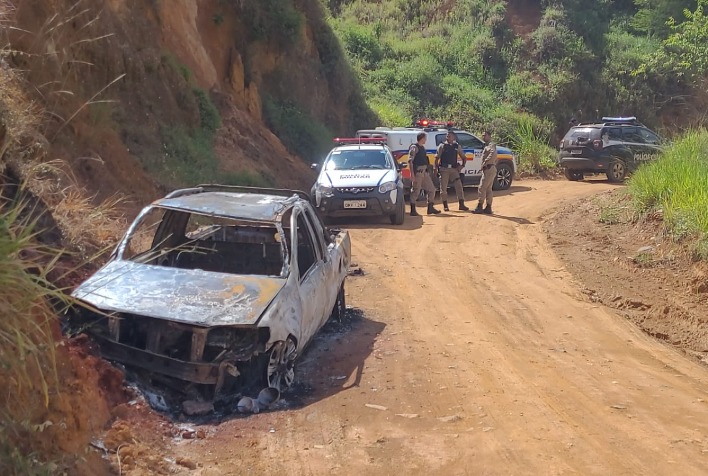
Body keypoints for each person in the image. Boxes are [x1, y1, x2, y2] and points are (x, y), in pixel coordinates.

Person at [435, 131, 469, 211]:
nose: (448, 137)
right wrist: (436, 169)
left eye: (449, 136)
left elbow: (464, 157)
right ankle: (445, 205)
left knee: (459, 186)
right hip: (444, 169)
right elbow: (437, 158)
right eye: (447, 136)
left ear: (453, 137)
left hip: (454, 169)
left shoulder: (456, 146)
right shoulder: (442, 146)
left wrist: (462, 166)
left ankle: (461, 204)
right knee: (443, 188)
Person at [408, 132, 440, 216]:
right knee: (416, 191)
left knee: (432, 189)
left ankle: (430, 207)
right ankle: (413, 210)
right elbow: (410, 161)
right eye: (425, 138)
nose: (426, 140)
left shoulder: (422, 148)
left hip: (424, 172)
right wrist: (412, 174)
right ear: (421, 138)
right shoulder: (414, 147)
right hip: (418, 172)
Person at [472, 129, 497, 215]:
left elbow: (492, 154)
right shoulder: (486, 145)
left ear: (489, 136)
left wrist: (484, 163)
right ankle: (488, 207)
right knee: (488, 189)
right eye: (482, 135)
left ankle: (480, 206)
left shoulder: (491, 145)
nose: (483, 137)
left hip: (489, 168)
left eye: (485, 135)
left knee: (482, 187)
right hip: (489, 169)